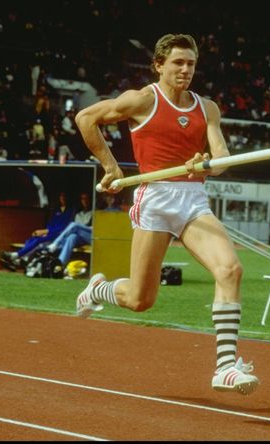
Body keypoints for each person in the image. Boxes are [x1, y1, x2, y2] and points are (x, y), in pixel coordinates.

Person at [73, 34, 259, 395]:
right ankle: (100, 289)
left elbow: (221, 158)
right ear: (159, 65)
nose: (185, 70)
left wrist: (208, 162)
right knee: (141, 300)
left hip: (193, 199)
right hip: (155, 200)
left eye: (190, 64)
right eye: (178, 63)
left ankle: (225, 367)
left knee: (231, 269)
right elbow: (85, 118)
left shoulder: (207, 108)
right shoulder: (143, 99)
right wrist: (111, 167)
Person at [0, 191, 75, 268]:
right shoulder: (56, 210)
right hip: (50, 233)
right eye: (61, 196)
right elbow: (50, 224)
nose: (63, 198)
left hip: (59, 236)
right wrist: (46, 231)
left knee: (38, 241)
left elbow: (66, 228)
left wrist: (46, 231)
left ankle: (15, 255)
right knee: (31, 239)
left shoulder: (71, 211)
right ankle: (21, 259)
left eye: (65, 196)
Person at [47, 192, 93, 267]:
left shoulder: (95, 213)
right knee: (72, 237)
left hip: (92, 236)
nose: (85, 201)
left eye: (87, 199)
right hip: (81, 237)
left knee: (74, 225)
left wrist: (80, 227)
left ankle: (56, 243)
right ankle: (60, 264)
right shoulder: (78, 214)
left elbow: (95, 228)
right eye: (83, 199)